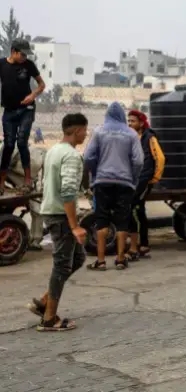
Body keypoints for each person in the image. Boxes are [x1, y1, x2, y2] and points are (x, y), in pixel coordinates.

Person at [27, 113, 88, 332]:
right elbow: (68, 192)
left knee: (78, 258)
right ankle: (49, 319)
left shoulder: (53, 150)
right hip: (61, 216)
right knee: (62, 265)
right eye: (84, 130)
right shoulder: (71, 155)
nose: (86, 134)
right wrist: (74, 226)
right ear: (77, 130)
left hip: (52, 211)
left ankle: (45, 301)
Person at [84, 102, 144, 270]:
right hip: (124, 183)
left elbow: (88, 157)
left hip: (102, 182)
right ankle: (120, 259)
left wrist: (95, 173)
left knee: (101, 220)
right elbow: (139, 161)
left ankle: (101, 261)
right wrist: (133, 178)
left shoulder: (99, 132)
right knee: (123, 220)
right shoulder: (131, 134)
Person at [0, 39, 46, 194]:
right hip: (9, 111)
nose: (25, 57)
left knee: (21, 142)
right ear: (13, 52)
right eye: (22, 54)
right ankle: (1, 181)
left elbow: (41, 85)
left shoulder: (28, 65)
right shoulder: (2, 64)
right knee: (8, 145)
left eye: (27, 55)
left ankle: (27, 180)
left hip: (26, 109)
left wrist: (32, 95)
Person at [126, 109, 165, 260]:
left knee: (134, 208)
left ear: (141, 123)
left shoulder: (149, 137)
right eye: (128, 121)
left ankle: (137, 246)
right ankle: (143, 245)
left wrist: (154, 177)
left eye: (133, 121)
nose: (130, 124)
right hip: (135, 179)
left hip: (144, 179)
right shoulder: (133, 137)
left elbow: (160, 158)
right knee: (139, 209)